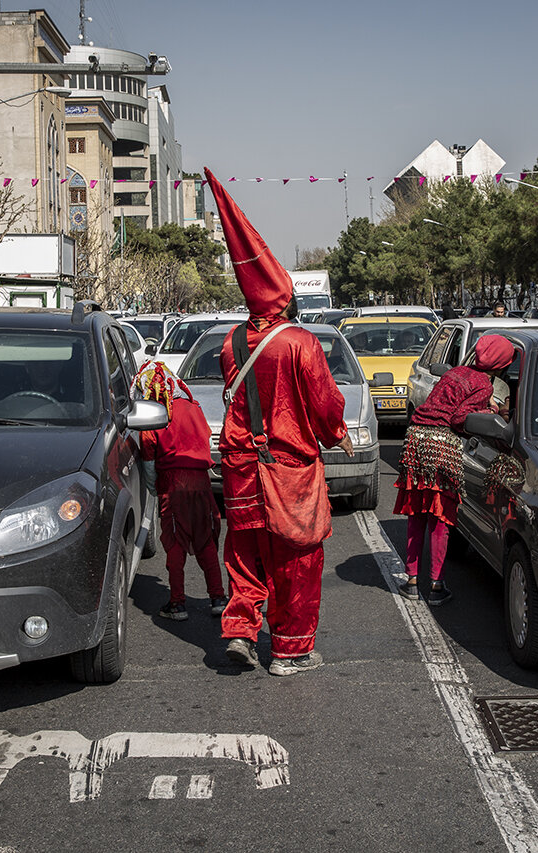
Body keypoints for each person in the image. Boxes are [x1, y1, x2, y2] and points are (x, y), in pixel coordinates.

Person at [205, 167, 354, 677]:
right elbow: (325, 405)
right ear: (284, 294)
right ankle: (290, 651)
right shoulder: (301, 342)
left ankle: (242, 631)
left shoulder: (231, 342)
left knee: (244, 553)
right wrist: (337, 435)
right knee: (296, 561)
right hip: (288, 470)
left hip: (242, 466)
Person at [394, 335, 516, 605]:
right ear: (501, 364)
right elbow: (461, 418)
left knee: (417, 513)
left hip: (415, 439)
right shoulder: (484, 385)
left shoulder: (456, 372)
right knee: (440, 517)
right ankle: (437, 586)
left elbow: (444, 403)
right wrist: (491, 413)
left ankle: (412, 580)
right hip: (442, 444)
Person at [135, 360, 227, 621]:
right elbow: (205, 438)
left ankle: (177, 603)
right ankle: (217, 597)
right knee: (205, 539)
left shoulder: (156, 413)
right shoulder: (192, 406)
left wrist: (153, 488)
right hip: (200, 480)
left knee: (174, 543)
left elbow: (149, 456)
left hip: (173, 483)